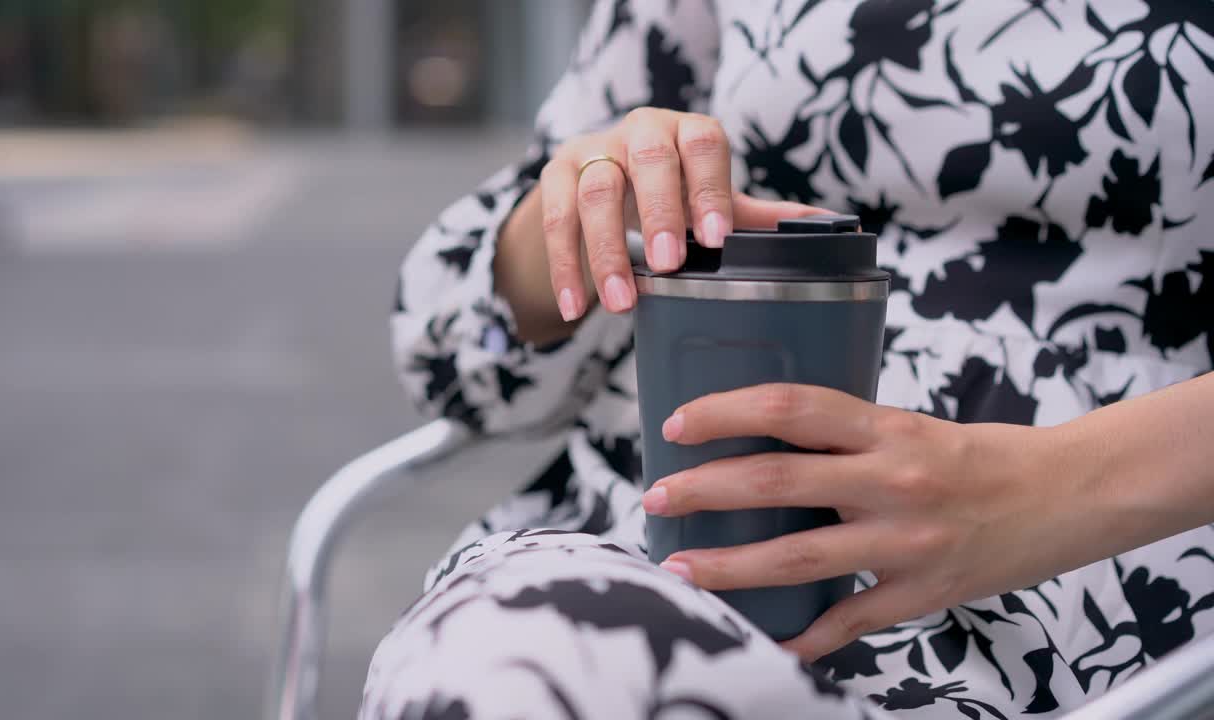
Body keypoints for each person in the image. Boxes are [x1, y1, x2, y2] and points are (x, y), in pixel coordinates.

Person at [368, 2, 1214, 717]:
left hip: (1110, 590)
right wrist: (582, 218)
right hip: (644, 541)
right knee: (530, 674)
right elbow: (445, 353)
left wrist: (1056, 486)